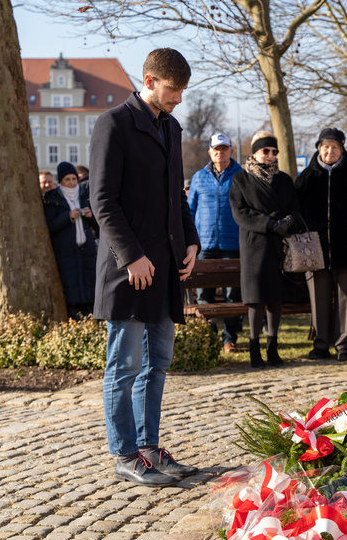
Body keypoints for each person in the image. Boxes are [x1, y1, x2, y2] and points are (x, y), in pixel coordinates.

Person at [90, 48, 201, 487]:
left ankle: (148, 447)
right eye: (174, 90)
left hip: (168, 267)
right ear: (150, 80)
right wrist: (131, 256)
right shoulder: (113, 123)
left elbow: (177, 196)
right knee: (125, 367)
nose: (179, 99)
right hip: (128, 269)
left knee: (158, 363)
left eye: (182, 91)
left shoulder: (171, 127)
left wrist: (191, 241)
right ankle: (124, 453)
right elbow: (103, 202)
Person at [296, 128, 347, 363]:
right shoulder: (306, 178)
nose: (329, 151)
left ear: (342, 150)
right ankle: (320, 344)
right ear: (319, 149)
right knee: (318, 299)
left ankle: (343, 345)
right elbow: (296, 212)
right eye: (325, 147)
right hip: (315, 250)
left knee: (346, 300)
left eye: (334, 147)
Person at [229, 132, 302, 369]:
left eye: (274, 152)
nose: (270, 156)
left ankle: (273, 346)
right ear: (255, 153)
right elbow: (241, 212)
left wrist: (288, 222)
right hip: (255, 245)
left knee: (276, 297)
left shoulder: (285, 180)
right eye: (265, 151)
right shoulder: (241, 179)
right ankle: (253, 347)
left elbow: (295, 207)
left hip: (280, 244)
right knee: (256, 298)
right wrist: (270, 224)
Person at [188, 132, 244, 353]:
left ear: (231, 151)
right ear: (210, 153)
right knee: (204, 295)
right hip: (205, 246)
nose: (220, 153)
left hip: (233, 245)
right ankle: (207, 338)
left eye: (224, 149)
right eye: (216, 149)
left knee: (232, 295)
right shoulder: (199, 177)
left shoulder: (241, 176)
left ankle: (229, 339)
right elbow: (190, 210)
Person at [43, 162, 98, 318]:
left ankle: (90, 321)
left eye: (74, 179)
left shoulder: (85, 194)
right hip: (66, 251)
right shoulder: (52, 198)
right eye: (67, 179)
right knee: (72, 287)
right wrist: (67, 216)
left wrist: (90, 216)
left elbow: (98, 225)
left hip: (86, 251)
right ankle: (76, 321)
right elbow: (51, 225)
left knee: (89, 286)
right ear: (61, 181)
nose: (72, 182)